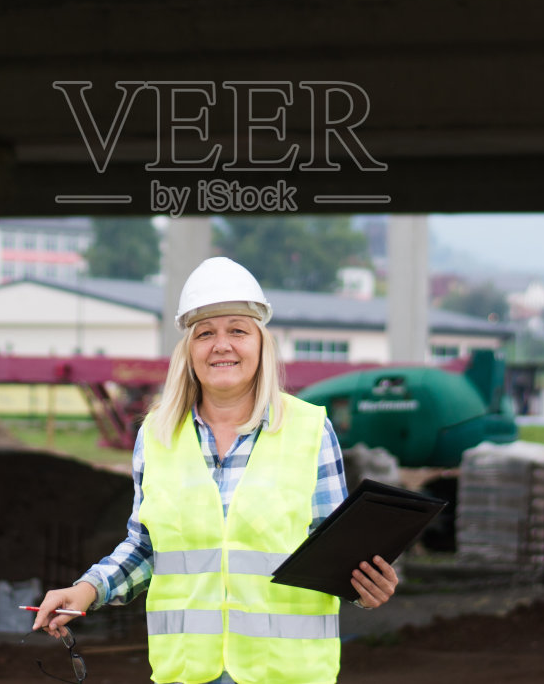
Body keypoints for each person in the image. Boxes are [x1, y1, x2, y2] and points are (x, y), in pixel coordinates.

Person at [32, 257, 399, 684]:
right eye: (205, 333)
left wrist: (365, 588)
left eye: (237, 331)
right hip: (188, 672)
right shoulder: (157, 435)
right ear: (189, 350)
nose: (221, 345)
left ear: (261, 344)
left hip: (285, 673)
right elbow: (146, 547)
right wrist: (87, 590)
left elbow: (334, 549)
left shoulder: (310, 430)